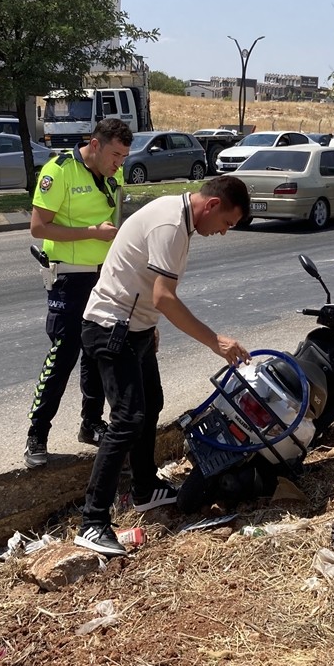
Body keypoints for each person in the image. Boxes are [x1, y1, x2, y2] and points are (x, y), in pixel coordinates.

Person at [74, 176, 252, 556]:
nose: (223, 233)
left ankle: (144, 490)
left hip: (134, 328)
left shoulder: (181, 219)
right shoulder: (172, 223)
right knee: (126, 420)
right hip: (111, 329)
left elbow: (141, 279)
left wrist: (148, 325)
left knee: (150, 404)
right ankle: (92, 522)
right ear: (213, 205)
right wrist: (216, 342)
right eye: (227, 224)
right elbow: (165, 296)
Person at [24, 118, 132, 468]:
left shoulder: (113, 176)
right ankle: (36, 435)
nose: (120, 163)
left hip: (104, 277)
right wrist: (91, 233)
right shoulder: (60, 170)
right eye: (115, 154)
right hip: (70, 278)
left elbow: (116, 225)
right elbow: (38, 227)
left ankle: (91, 423)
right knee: (63, 354)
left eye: (124, 157)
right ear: (95, 144)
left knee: (98, 352)